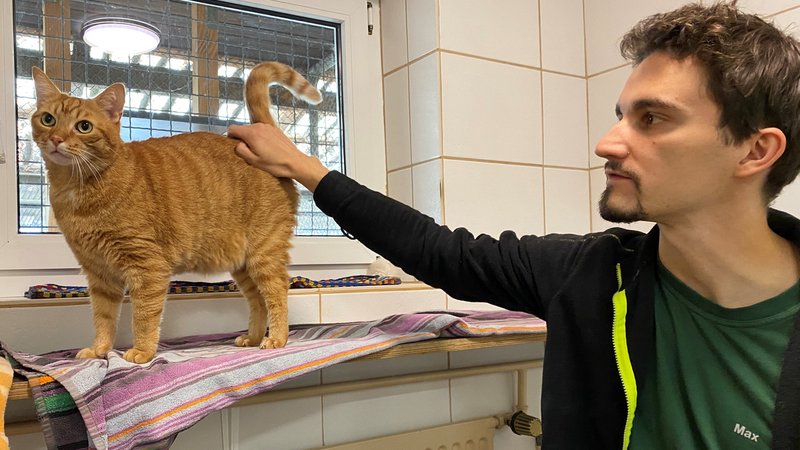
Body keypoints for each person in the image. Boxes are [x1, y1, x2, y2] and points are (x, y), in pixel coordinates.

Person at [228, 2, 800, 449]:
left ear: (755, 151)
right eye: (621, 116)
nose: (607, 143)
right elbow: (437, 251)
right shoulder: (590, 276)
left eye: (652, 119)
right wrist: (305, 168)